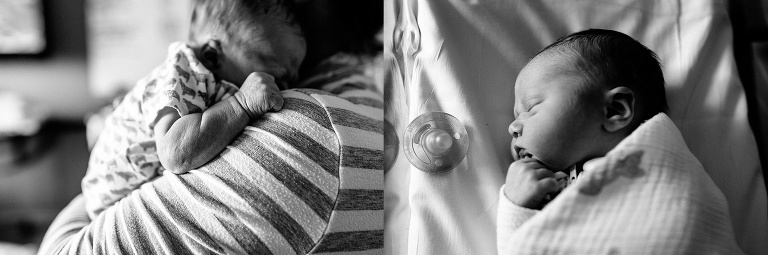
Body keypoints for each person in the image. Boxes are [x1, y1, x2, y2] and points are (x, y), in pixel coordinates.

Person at [80, 0, 306, 218]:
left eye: (295, 72)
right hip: (112, 199)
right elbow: (174, 153)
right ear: (212, 55)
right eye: (276, 72)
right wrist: (242, 104)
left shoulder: (219, 79)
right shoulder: (185, 71)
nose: (287, 84)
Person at [500, 29, 668, 219]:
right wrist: (518, 205)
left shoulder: (661, 174)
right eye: (516, 116)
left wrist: (516, 210)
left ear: (614, 110)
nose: (512, 127)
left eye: (531, 108)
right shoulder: (551, 191)